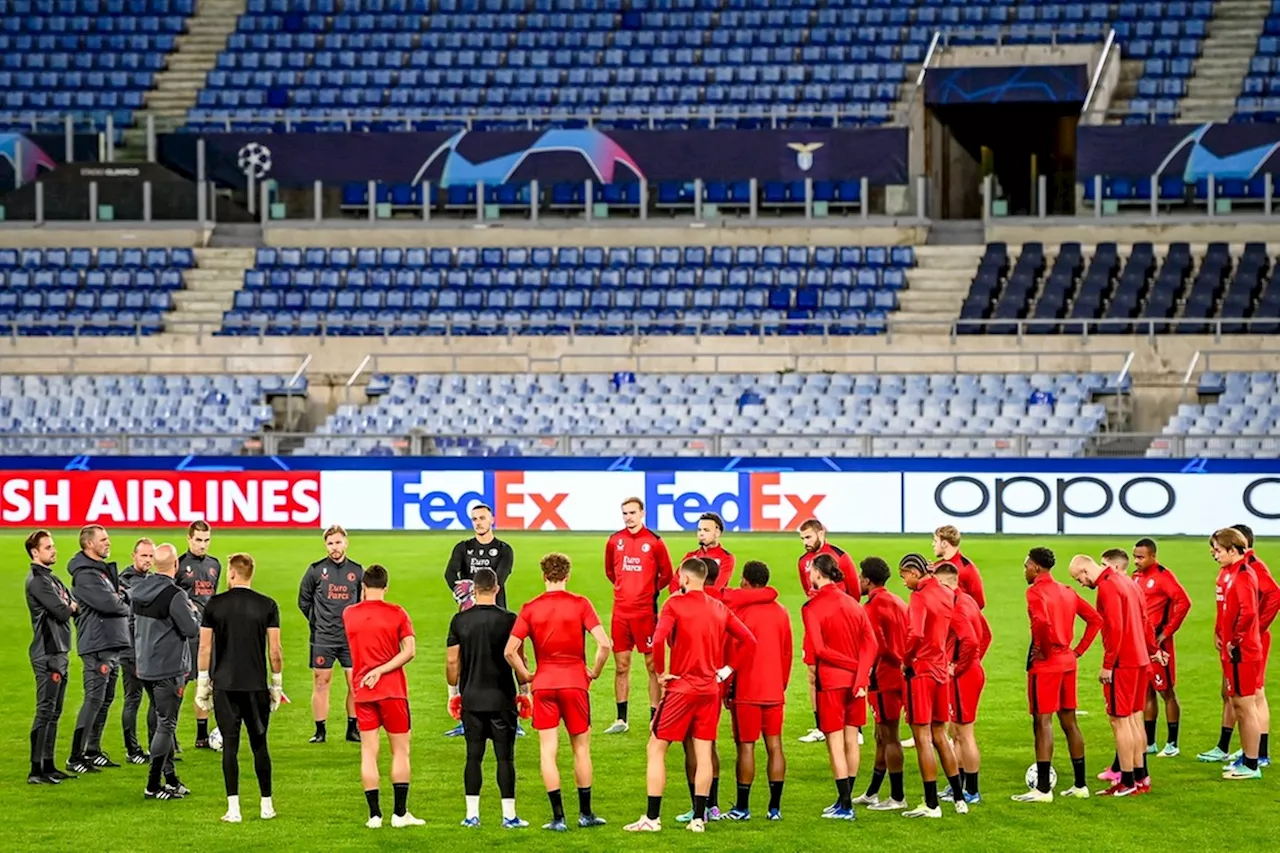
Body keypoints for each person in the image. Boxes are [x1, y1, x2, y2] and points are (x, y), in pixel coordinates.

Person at [624, 557, 756, 833]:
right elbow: (749, 641)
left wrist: (660, 673)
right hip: (709, 688)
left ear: (684, 579)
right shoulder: (719, 607)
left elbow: (658, 640)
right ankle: (699, 818)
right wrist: (726, 670)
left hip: (681, 687)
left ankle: (652, 818)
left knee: (655, 748)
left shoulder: (674, 604)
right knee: (704, 751)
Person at [504, 553, 611, 832]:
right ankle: (585, 814)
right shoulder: (580, 604)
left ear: (543, 576)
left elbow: (509, 650)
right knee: (581, 750)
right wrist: (595, 671)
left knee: (547, 751)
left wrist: (526, 675)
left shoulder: (530, 608)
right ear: (568, 575)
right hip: (575, 681)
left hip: (545, 683)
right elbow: (605, 644)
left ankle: (558, 817)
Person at [195, 552, 283, 823]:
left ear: (232, 573)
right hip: (256, 686)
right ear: (250, 574)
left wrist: (202, 684)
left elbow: (205, 647)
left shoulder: (214, 604)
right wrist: (276, 684)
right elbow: (275, 651)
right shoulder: (267, 605)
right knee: (260, 745)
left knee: (230, 746)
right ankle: (266, 805)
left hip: (224, 686)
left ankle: (233, 809)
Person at [1012, 547, 1102, 803]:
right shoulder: (1067, 591)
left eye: (1027, 565)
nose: (1025, 570)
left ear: (1037, 568)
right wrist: (1078, 651)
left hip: (1047, 665)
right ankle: (1081, 785)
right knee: (1070, 721)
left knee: (1042, 723)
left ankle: (1042, 789)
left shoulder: (1035, 592)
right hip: (1067, 663)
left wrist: (1042, 648)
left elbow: (1041, 623)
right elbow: (1095, 619)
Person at [1068, 554, 1158, 797]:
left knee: (1120, 720)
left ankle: (1126, 781)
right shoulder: (1127, 581)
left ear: (1086, 571)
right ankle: (1141, 777)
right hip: (1140, 659)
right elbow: (1145, 618)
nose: (1082, 584)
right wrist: (1153, 651)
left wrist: (1108, 664)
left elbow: (1115, 628)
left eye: (1079, 579)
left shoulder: (1107, 588)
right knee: (1135, 718)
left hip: (1123, 662)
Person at [447, 568, 527, 829]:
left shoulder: (459, 621)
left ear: (474, 590)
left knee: (473, 757)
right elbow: (520, 660)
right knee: (505, 759)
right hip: (502, 698)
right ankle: (509, 816)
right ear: (497, 588)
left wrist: (454, 693)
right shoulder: (510, 620)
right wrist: (525, 693)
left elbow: (451, 662)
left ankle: (472, 815)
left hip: (471, 698)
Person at [343, 563, 422, 830]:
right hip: (393, 692)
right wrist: (382, 669)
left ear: (362, 587)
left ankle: (374, 815)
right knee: (400, 751)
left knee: (368, 751)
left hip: (363, 691)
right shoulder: (397, 613)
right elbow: (409, 651)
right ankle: (400, 814)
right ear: (386, 587)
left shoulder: (349, 613)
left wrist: (371, 670)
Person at [801, 553, 877, 821]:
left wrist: (850, 666)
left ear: (818, 574)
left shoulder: (810, 608)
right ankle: (844, 801)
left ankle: (845, 805)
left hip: (832, 682)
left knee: (834, 741)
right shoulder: (854, 604)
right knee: (851, 738)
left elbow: (820, 649)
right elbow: (872, 644)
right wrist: (860, 674)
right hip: (857, 685)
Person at [721, 560, 792, 821]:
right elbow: (787, 651)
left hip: (747, 690)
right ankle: (775, 809)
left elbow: (731, 651)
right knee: (775, 746)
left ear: (747, 582)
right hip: (774, 689)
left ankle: (742, 807)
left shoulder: (739, 613)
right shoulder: (782, 611)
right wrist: (781, 684)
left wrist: (727, 689)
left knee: (746, 747)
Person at [898, 553, 965, 819]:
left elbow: (915, 633)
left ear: (914, 573)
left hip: (922, 671)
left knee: (922, 737)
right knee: (940, 735)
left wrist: (906, 660)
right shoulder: (945, 593)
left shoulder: (919, 597)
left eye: (904, 575)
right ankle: (959, 798)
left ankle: (931, 804)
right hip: (941, 671)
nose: (903, 581)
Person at [132, 543, 200, 801]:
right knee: (166, 724)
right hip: (169, 668)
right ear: (175, 565)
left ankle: (170, 778)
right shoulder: (175, 595)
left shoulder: (139, 589)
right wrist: (193, 613)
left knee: (163, 721)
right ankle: (153, 785)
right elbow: (191, 630)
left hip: (146, 665)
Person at [443, 503, 515, 738]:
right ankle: (465, 720)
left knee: (502, 664)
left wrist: (471, 589)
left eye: (482, 518)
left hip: (497, 614)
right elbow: (450, 573)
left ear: (492, 519)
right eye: (474, 519)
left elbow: (500, 577)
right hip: (470, 617)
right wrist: (461, 594)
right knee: (466, 664)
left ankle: (511, 715)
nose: (478, 522)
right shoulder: (463, 548)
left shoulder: (504, 549)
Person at [603, 496, 674, 735]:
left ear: (642, 513)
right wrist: (625, 590)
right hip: (620, 613)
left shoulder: (654, 542)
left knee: (651, 665)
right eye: (625, 513)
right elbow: (610, 571)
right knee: (621, 666)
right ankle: (621, 719)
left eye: (632, 513)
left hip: (645, 613)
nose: (628, 517)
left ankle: (655, 717)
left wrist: (649, 592)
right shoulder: (614, 541)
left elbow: (667, 574)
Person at [1211, 524, 1278, 772]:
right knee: (1241, 700)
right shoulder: (1230, 572)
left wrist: (1245, 635)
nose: (1215, 555)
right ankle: (1251, 755)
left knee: (1249, 700)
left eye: (1217, 550)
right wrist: (1220, 632)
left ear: (1233, 547)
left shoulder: (1247, 571)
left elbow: (1255, 607)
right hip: (1236, 645)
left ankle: (1254, 759)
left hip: (1243, 647)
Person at [67, 524, 129, 773]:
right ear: (89, 544)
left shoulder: (99, 572)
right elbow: (111, 603)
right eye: (103, 539)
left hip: (110, 642)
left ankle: (92, 750)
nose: (108, 542)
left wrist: (120, 598)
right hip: (97, 644)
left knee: (105, 699)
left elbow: (118, 598)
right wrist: (123, 600)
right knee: (94, 699)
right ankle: (75, 756)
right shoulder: (85, 575)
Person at [298, 524, 364, 744]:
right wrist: (317, 622)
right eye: (330, 543)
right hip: (323, 638)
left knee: (355, 683)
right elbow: (303, 600)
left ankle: (352, 728)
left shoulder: (357, 571)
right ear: (325, 545)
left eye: (337, 542)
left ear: (346, 542)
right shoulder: (315, 570)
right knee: (321, 682)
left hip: (350, 638)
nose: (334, 547)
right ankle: (320, 730)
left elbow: (361, 603)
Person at [853, 556, 910, 812]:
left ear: (866, 579)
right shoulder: (898, 601)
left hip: (884, 678)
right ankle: (873, 792)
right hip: (901, 674)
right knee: (880, 735)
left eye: (860, 576)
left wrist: (864, 672)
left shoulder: (871, 608)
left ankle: (898, 797)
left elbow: (877, 646)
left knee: (889, 736)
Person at [796, 518, 859, 746]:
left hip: (841, 626)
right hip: (815, 625)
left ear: (821, 533)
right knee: (813, 674)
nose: (805, 542)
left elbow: (854, 591)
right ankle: (821, 726)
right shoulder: (803, 561)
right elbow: (809, 592)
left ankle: (855, 727)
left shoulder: (841, 556)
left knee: (846, 671)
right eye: (802, 538)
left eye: (809, 537)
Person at [935, 559, 991, 804]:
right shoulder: (967, 600)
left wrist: (958, 667)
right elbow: (986, 634)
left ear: (945, 584)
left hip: (963, 677)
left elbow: (971, 640)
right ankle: (958, 785)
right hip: (970, 671)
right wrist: (975, 662)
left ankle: (972, 790)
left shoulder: (955, 606)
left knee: (964, 733)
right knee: (956, 731)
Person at [1130, 539, 1190, 759]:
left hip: (1158, 643)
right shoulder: (1135, 577)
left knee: (1166, 691)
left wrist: (1166, 632)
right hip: (1141, 642)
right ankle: (1150, 742)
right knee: (1146, 690)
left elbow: (1184, 602)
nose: (1136, 561)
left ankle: (1172, 743)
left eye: (1140, 557)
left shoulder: (1163, 577)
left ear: (1153, 556)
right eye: (1135, 556)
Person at [26, 529, 76, 785]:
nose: (54, 550)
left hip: (60, 650)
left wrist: (69, 605)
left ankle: (49, 764)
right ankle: (36, 770)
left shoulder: (51, 578)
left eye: (53, 546)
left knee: (54, 711)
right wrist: (69, 606)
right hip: (47, 653)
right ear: (35, 552)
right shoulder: (37, 580)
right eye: (48, 547)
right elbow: (62, 610)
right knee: (45, 710)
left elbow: (69, 602)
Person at [177, 521, 221, 750]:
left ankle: (202, 735)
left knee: (209, 683)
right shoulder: (179, 565)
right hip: (187, 635)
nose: (202, 545)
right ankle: (168, 732)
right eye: (198, 540)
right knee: (181, 683)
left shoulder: (215, 564)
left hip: (210, 632)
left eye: (206, 540)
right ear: (189, 539)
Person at [119, 538, 158, 766]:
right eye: (144, 555)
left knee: (155, 699)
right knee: (133, 698)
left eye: (151, 556)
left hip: (149, 649)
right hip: (131, 649)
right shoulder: (125, 580)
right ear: (134, 555)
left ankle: (157, 746)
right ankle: (132, 749)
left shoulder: (150, 580)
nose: (147, 560)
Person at [670, 511, 735, 594]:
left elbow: (717, 587)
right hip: (687, 604)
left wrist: (689, 595)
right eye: (699, 530)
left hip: (711, 605)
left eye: (706, 530)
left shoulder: (726, 558)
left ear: (717, 533)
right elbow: (674, 583)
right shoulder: (690, 556)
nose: (701, 534)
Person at [932, 525, 985, 609]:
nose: (933, 545)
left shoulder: (967, 568)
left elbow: (979, 602)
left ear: (944, 543)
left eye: (935, 541)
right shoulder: (936, 566)